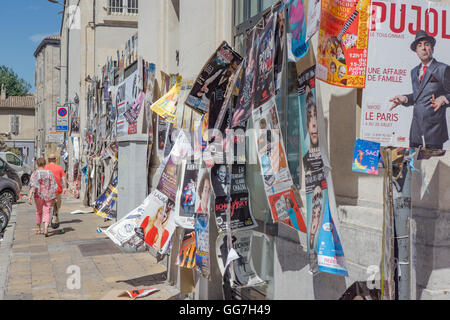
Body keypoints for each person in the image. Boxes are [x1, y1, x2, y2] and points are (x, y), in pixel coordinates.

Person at [389, 30, 450, 149]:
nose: (423, 48)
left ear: (432, 48)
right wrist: (405, 98)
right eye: (419, 45)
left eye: (426, 44)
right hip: (416, 132)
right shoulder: (414, 72)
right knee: (414, 167)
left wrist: (444, 98)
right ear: (416, 51)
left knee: (431, 167)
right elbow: (419, 96)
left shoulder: (443, 69)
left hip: (434, 132)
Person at [27, 158, 57, 237]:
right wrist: (54, 196)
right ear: (45, 164)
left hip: (38, 196)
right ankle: (46, 228)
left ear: (37, 164)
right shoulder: (49, 173)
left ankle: (39, 228)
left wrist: (29, 197)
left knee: (38, 212)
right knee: (47, 212)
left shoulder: (35, 174)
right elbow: (53, 185)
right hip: (48, 196)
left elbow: (32, 186)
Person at [45, 153, 68, 226]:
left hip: (48, 190)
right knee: (57, 205)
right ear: (55, 160)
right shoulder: (59, 167)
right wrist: (65, 187)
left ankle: (47, 222)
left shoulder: (45, 167)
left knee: (48, 206)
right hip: (57, 190)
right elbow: (64, 178)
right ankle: (55, 217)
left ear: (48, 160)